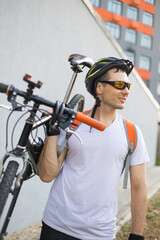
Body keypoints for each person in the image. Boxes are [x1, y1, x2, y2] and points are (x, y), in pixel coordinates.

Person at [37, 57, 149, 240]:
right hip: (56, 225)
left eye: (128, 86)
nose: (126, 91)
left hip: (100, 234)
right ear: (99, 88)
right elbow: (47, 175)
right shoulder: (72, 123)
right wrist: (53, 132)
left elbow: (139, 188)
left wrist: (137, 235)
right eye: (120, 84)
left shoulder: (132, 133)